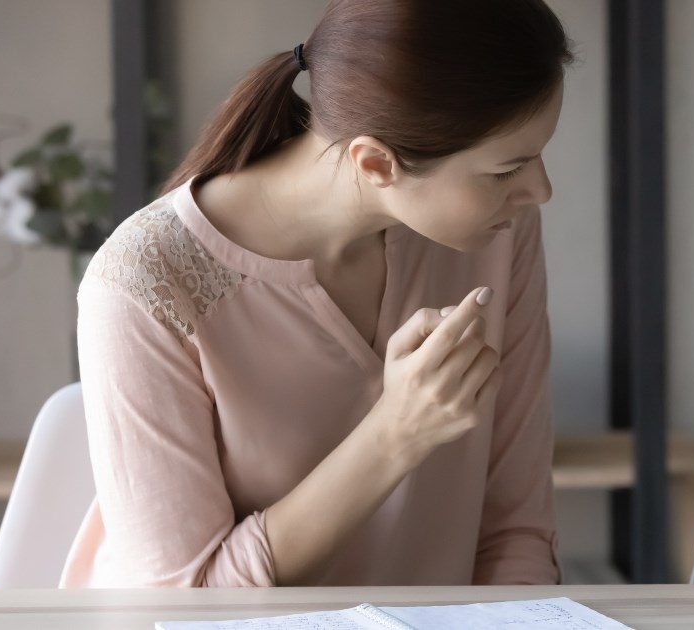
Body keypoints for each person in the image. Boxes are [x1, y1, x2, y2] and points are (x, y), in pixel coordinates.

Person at [62, 0, 573, 587]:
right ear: (376, 163)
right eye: (507, 170)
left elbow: (518, 529)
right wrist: (396, 433)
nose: (540, 190)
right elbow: (186, 601)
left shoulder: (495, 233)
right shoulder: (142, 283)